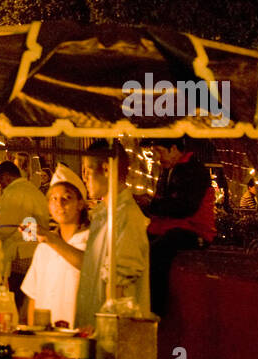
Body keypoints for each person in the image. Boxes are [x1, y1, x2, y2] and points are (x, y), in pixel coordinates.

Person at [74, 141, 151, 330]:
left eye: (86, 170)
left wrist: (104, 332)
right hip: (92, 327)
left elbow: (119, 286)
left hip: (113, 335)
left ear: (107, 169)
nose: (83, 177)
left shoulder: (128, 217)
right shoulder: (103, 214)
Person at [143, 138, 215, 317]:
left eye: (160, 151)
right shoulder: (168, 169)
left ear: (174, 148)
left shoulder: (194, 170)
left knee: (158, 251)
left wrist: (150, 205)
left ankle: (156, 309)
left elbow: (184, 207)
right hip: (169, 226)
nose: (158, 158)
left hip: (195, 230)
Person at [22, 165, 90, 327]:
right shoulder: (43, 248)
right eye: (53, 198)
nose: (59, 203)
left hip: (78, 333)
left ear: (80, 204)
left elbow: (90, 266)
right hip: (45, 336)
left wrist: (51, 240)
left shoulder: (90, 241)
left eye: (67, 197)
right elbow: (34, 296)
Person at [0, 160, 50, 301]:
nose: (1, 186)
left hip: (21, 255)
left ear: (6, 177)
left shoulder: (14, 193)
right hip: (34, 251)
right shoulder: (31, 189)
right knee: (28, 298)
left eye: (0, 181)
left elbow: (5, 227)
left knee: (17, 298)